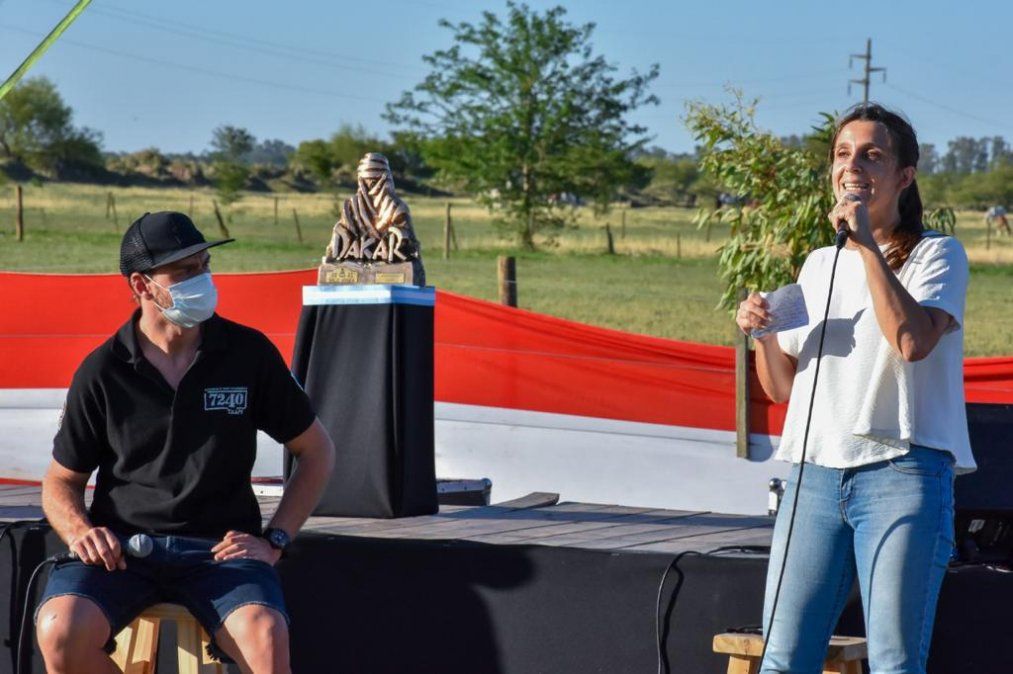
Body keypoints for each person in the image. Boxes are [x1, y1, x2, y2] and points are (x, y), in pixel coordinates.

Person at [35, 212, 336, 674]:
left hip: (222, 552)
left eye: (205, 265)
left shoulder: (248, 353)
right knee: (59, 628)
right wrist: (80, 532)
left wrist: (275, 539)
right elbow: (61, 481)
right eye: (185, 271)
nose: (202, 280)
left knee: (267, 637)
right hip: (125, 552)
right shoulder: (102, 370)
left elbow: (316, 451)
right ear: (141, 284)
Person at [736, 104, 974, 673]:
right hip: (812, 478)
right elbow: (781, 389)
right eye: (844, 154)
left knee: (893, 661)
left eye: (873, 154)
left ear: (904, 175)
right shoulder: (817, 265)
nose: (854, 165)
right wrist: (762, 334)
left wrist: (866, 244)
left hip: (903, 472)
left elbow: (913, 343)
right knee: (783, 657)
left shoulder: (937, 254)